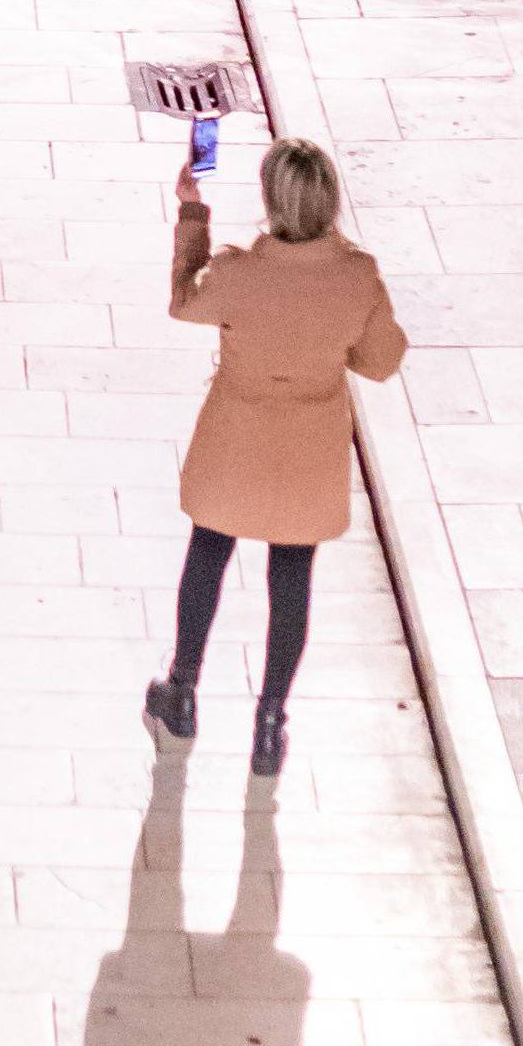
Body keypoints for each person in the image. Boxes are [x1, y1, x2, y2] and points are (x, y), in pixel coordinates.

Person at [146, 138, 408, 780]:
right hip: (308, 449)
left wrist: (192, 218)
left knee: (207, 554)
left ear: (270, 201)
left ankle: (180, 694)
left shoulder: (237, 273)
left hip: (236, 437)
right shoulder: (358, 276)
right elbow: (380, 362)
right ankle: (269, 722)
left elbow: (185, 302)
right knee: (291, 579)